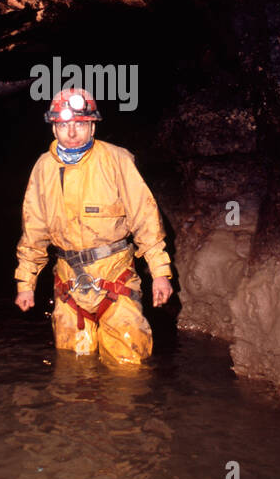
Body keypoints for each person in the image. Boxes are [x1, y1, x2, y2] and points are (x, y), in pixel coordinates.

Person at [14, 87, 173, 364]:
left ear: (92, 126)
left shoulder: (117, 160)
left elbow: (145, 217)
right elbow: (33, 231)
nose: (71, 133)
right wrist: (25, 283)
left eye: (79, 124)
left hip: (115, 278)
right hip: (68, 285)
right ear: (54, 128)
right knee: (73, 371)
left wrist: (160, 272)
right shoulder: (44, 168)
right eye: (63, 125)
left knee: (128, 368)